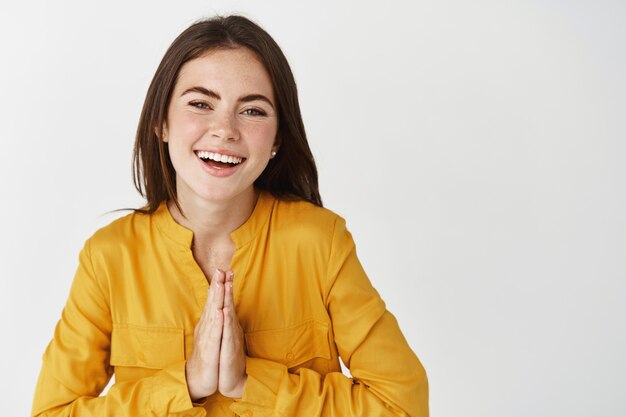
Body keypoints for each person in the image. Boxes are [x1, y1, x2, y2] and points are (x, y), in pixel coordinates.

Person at [31, 14, 429, 417]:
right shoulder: (109, 257)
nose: (224, 130)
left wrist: (249, 384)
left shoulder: (321, 243)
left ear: (276, 140)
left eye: (252, 111)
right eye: (201, 103)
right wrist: (185, 383)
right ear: (161, 123)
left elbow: (402, 404)